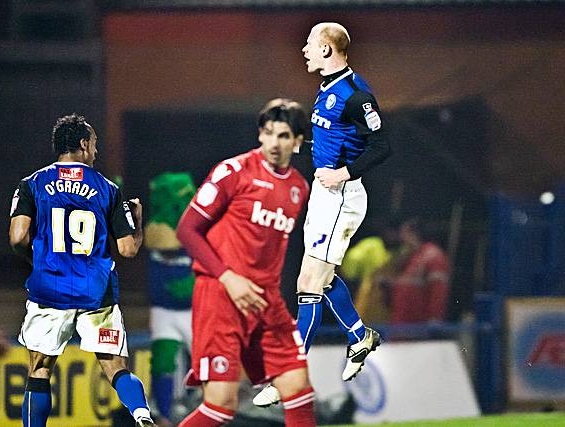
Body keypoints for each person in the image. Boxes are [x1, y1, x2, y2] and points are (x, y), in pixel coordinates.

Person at [254, 22, 391, 407]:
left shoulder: (355, 94)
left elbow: (381, 146)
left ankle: (286, 378)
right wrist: (305, 147)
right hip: (323, 195)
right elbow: (335, 137)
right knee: (322, 280)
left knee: (308, 284)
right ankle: (360, 336)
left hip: (342, 196)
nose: (304, 50)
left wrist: (343, 172)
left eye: (311, 44)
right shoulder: (327, 88)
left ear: (328, 49)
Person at [176, 99, 316, 427]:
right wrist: (229, 277)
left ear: (297, 142)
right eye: (268, 134)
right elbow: (187, 230)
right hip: (221, 296)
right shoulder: (233, 172)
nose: (274, 143)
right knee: (220, 406)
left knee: (299, 390)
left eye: (283, 136)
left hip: (266, 302)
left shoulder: (299, 188)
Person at [9, 114, 155, 427]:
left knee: (40, 370)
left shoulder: (32, 184)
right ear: (84, 144)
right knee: (115, 367)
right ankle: (141, 414)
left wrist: (38, 262)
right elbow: (128, 249)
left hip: (50, 288)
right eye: (95, 145)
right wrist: (138, 221)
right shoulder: (108, 189)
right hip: (96, 291)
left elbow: (18, 236)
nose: (96, 152)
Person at [144, 172, 197, 426]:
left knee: (203, 361)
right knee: (163, 361)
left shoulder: (197, 234)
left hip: (193, 312)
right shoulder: (153, 232)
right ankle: (163, 415)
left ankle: (203, 408)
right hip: (163, 311)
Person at [388, 217, 450, 326]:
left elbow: (438, 290)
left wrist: (434, 320)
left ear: (413, 233)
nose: (401, 239)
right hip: (401, 326)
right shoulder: (411, 257)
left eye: (404, 233)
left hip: (418, 327)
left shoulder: (432, 256)